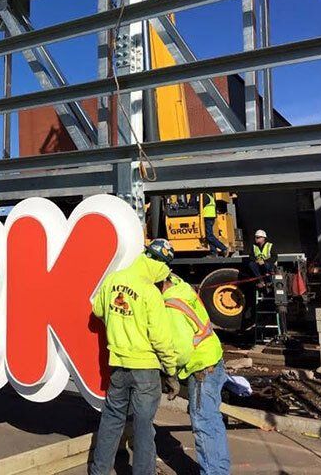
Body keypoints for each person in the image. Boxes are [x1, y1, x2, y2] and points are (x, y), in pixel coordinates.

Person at [89, 238, 180, 475]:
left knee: (111, 420)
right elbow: (161, 339)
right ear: (162, 266)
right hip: (145, 371)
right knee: (143, 428)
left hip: (118, 365)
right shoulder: (150, 292)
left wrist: (119, 323)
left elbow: (98, 310)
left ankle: (99, 471)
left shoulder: (113, 279)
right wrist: (171, 373)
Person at [159, 272, 230, 475]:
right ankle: (219, 470)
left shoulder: (170, 305)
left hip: (200, 368)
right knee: (212, 421)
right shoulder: (182, 287)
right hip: (212, 358)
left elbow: (181, 352)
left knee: (204, 424)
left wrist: (169, 372)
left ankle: (213, 472)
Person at [202, 193, 228, 257]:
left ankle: (223, 248)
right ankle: (214, 253)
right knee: (209, 236)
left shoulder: (205, 196)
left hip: (207, 217)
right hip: (211, 217)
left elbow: (199, 205)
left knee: (209, 236)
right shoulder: (211, 196)